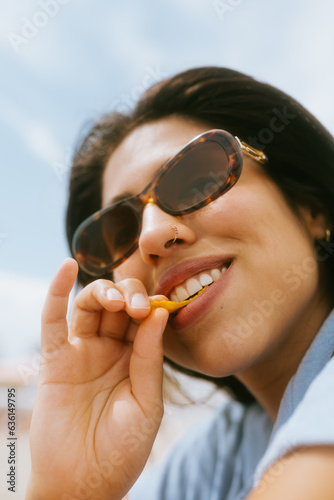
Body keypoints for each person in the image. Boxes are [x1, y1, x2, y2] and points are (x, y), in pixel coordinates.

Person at [26, 67, 334, 500]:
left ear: (311, 208)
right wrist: (67, 489)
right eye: (119, 231)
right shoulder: (218, 455)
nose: (151, 234)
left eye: (197, 178)